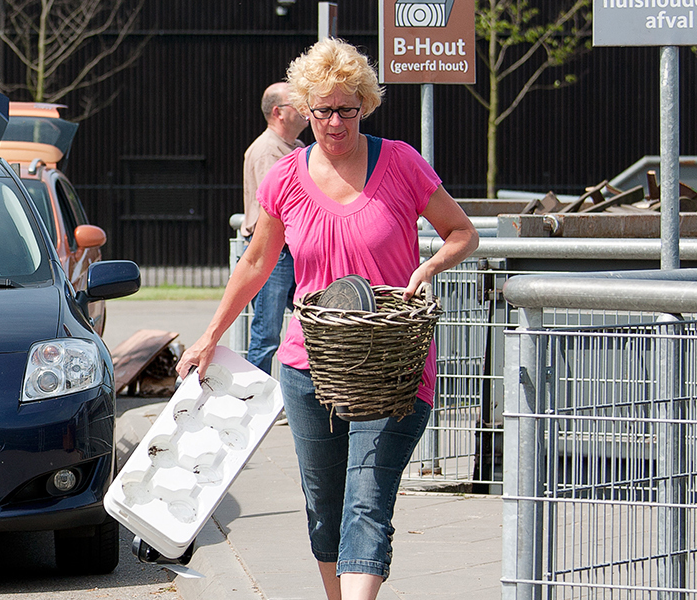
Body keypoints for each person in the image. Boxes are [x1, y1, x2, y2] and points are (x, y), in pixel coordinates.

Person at [175, 39, 479, 600]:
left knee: (367, 498)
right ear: (303, 109)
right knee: (325, 504)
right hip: (308, 364)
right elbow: (257, 262)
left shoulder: (402, 162)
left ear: (365, 105)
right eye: (323, 110)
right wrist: (209, 334)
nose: (335, 122)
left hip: (393, 365)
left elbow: (463, 232)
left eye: (347, 109)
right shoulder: (286, 176)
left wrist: (430, 266)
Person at [242, 81, 309, 376]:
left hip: (289, 251)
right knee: (266, 335)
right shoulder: (269, 152)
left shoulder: (294, 148)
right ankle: (258, 403)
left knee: (310, 321)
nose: (308, 110)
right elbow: (281, 205)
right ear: (279, 112)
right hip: (275, 252)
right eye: (299, 104)